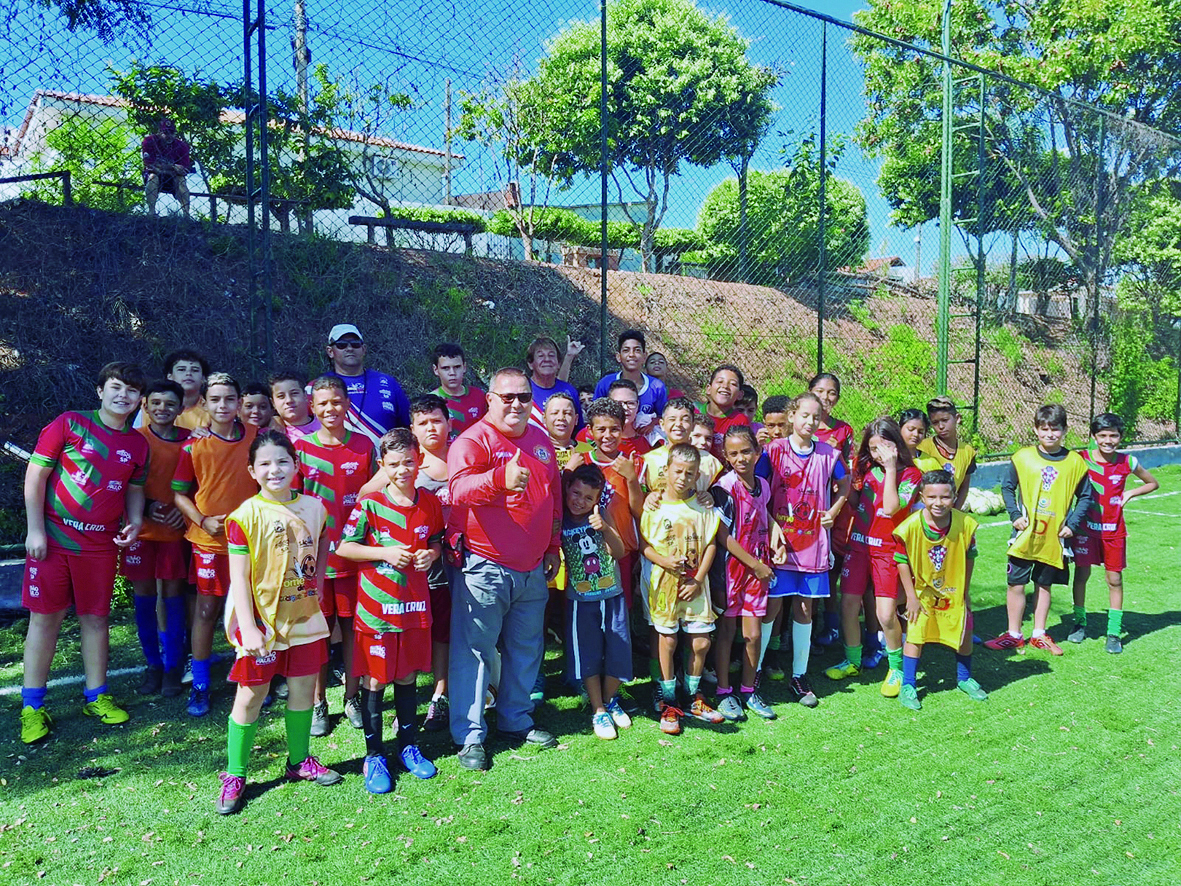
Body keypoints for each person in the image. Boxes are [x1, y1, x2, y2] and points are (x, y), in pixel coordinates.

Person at [19, 363, 150, 744]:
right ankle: (32, 707)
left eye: (131, 390)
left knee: (95, 618)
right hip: (53, 538)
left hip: (99, 544)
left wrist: (135, 520)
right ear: (100, 391)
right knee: (45, 619)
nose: (123, 395)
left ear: (139, 399)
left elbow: (135, 489)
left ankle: (97, 697)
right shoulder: (70, 423)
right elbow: (36, 476)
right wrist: (35, 529)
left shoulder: (138, 444)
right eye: (116, 387)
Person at [216, 430, 340, 815]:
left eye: (283, 461)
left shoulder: (315, 508)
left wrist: (319, 584)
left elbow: (322, 545)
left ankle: (299, 761)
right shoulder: (244, 516)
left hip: (304, 616)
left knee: (302, 690)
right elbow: (239, 578)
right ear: (252, 471)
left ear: (296, 466)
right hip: (261, 622)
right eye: (265, 463)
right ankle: (236, 774)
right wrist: (249, 626)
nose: (275, 470)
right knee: (251, 695)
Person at [447, 367, 562, 771]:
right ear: (490, 400)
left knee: (526, 648)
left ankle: (515, 719)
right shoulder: (472, 441)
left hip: (532, 566)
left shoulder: (540, 440)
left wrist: (552, 545)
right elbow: (457, 490)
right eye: (507, 397)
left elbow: (553, 496)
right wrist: (499, 477)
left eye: (524, 397)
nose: (516, 404)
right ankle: (470, 735)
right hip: (485, 565)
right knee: (475, 652)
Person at [337, 428, 444, 793]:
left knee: (407, 676)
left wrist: (431, 555)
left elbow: (435, 540)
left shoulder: (430, 503)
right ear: (382, 465)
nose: (402, 470)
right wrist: (383, 552)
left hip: (413, 607)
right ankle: (374, 755)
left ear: (420, 461)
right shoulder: (369, 504)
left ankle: (408, 747)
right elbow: (345, 548)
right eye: (394, 464)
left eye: (409, 462)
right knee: (376, 680)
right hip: (376, 610)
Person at [171, 373, 259, 717]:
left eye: (230, 399)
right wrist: (202, 520)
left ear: (239, 403)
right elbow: (179, 493)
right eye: (216, 399)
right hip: (209, 542)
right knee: (206, 611)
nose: (223, 405)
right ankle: (201, 684)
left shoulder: (255, 437)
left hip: (252, 542)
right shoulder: (192, 446)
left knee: (253, 609)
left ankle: (254, 676)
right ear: (204, 403)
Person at [294, 376, 377, 736]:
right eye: (323, 403)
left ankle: (352, 697)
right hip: (313, 562)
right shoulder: (300, 449)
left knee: (354, 630)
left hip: (354, 558)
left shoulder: (364, 446)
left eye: (337, 402)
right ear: (312, 408)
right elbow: (291, 505)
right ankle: (318, 703)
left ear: (347, 405)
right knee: (317, 633)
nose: (330, 409)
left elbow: (375, 499)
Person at [985, 404, 1093, 655]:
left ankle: (1039, 634)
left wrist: (1072, 525)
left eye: (1055, 429)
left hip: (1054, 538)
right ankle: (1013, 634)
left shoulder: (1075, 463)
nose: (1049, 434)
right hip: (1023, 535)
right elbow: (1007, 487)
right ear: (1035, 429)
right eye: (1044, 429)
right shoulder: (1022, 457)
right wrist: (1015, 516)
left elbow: (1086, 496)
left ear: (1065, 430)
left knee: (1044, 585)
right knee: (1016, 583)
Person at [763, 392, 849, 707]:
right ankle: (754, 672)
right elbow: (757, 489)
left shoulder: (829, 454)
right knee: (771, 607)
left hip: (812, 546)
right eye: (804, 415)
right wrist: (771, 525)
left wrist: (834, 509)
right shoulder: (773, 450)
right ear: (791, 416)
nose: (810, 421)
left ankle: (798, 675)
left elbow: (846, 482)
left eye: (816, 416)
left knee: (804, 608)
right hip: (779, 545)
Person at [826, 418, 922, 697]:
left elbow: (891, 508)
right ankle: (852, 661)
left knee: (885, 613)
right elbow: (856, 501)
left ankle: (896, 668)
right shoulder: (865, 468)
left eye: (884, 446)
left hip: (888, 551)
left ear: (897, 444)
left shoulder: (911, 475)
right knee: (848, 604)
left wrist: (891, 469)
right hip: (858, 546)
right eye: (873, 448)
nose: (879, 454)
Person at [640, 444, 724, 735]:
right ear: (666, 471)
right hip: (664, 585)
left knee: (701, 643)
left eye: (689, 473)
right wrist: (664, 561)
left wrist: (698, 578)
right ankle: (669, 700)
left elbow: (711, 544)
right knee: (667, 640)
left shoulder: (703, 506)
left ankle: (692, 696)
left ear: (697, 475)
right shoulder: (654, 506)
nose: (683, 478)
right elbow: (644, 545)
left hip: (695, 585)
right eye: (678, 471)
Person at [893, 470, 988, 710]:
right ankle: (908, 685)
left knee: (964, 631)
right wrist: (911, 597)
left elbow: (970, 556)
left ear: (954, 497)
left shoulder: (965, 524)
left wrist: (965, 591)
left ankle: (964, 678)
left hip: (954, 591)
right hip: (923, 593)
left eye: (945, 497)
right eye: (932, 497)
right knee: (916, 635)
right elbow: (901, 561)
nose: (938, 503)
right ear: (922, 497)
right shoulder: (910, 526)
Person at [122, 378, 190, 697]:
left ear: (181, 408)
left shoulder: (192, 441)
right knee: (145, 596)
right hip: (141, 530)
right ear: (145, 405)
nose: (163, 408)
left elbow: (203, 482)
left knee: (173, 596)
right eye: (157, 403)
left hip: (175, 531)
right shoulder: (134, 439)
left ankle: (173, 665)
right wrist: (147, 507)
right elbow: (123, 483)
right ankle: (153, 664)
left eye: (170, 403)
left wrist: (186, 511)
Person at [1069, 413, 1159, 654]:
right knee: (1081, 574)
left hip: (1114, 531)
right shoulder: (1081, 459)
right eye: (1102, 435)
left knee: (1115, 579)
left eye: (1113, 435)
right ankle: (1079, 622)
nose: (1108, 440)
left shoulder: (1128, 462)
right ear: (1093, 436)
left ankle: (1113, 633)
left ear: (1121, 436)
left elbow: (1152, 483)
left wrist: (1130, 493)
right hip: (1085, 529)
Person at [560, 463, 633, 740]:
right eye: (576, 493)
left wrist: (605, 529)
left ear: (597, 499)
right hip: (580, 600)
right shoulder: (561, 518)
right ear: (568, 489)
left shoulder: (601, 514)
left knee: (619, 649)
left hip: (612, 595)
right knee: (587, 654)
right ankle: (598, 709)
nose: (580, 501)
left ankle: (610, 698)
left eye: (588, 497)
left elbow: (619, 551)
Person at [710, 426, 778, 721]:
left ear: (758, 452)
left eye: (746, 451)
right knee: (726, 632)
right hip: (731, 571)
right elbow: (722, 536)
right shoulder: (724, 489)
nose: (741, 458)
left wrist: (776, 535)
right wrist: (755, 564)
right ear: (726, 457)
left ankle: (749, 690)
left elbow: (763, 516)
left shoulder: (762, 484)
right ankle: (724, 691)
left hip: (756, 571)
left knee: (753, 634)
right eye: (734, 453)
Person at [408, 394, 457, 731]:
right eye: (423, 423)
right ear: (412, 429)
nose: (431, 428)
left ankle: (441, 695)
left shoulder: (463, 456)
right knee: (415, 632)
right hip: (420, 566)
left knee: (445, 631)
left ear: (449, 423)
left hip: (462, 561)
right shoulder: (408, 465)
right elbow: (369, 495)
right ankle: (407, 698)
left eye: (437, 420)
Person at [564, 398, 642, 608]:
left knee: (620, 608)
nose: (608, 436)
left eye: (614, 429)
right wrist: (568, 471)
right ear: (590, 431)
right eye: (601, 429)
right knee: (583, 604)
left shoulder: (633, 462)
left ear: (623, 429)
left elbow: (638, 511)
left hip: (620, 548)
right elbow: (565, 499)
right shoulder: (581, 461)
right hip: (582, 550)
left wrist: (631, 478)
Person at [809, 373, 857, 650]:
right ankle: (800, 628)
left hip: (832, 509)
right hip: (803, 507)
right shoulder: (801, 424)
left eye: (832, 393)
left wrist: (841, 502)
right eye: (820, 391)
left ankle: (829, 626)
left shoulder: (844, 431)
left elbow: (847, 471)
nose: (826, 397)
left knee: (829, 568)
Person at [324, 324, 410, 445]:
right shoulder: (318, 386)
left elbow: (408, 426)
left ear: (364, 349)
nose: (349, 348)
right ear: (330, 351)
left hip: (384, 455)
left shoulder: (388, 382)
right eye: (342, 345)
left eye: (355, 344)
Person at [593, 330, 668, 427]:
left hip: (646, 435)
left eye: (637, 350)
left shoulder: (657, 386)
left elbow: (663, 416)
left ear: (644, 356)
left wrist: (652, 423)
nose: (631, 354)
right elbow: (595, 415)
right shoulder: (605, 383)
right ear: (619, 357)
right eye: (626, 350)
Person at [915, 397, 977, 509]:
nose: (941, 426)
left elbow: (964, 486)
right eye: (935, 422)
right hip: (926, 508)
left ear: (957, 418)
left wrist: (955, 511)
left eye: (945, 420)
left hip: (950, 509)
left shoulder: (968, 451)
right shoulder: (923, 447)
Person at [526, 336, 583, 430]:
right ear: (530, 364)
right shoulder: (523, 390)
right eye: (540, 356)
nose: (547, 359)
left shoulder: (569, 390)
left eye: (551, 355)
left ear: (558, 363)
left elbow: (579, 429)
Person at [431, 342, 486, 437]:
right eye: (446, 368)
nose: (452, 373)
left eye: (457, 367)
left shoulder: (479, 396)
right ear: (436, 370)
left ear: (464, 367)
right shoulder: (431, 401)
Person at [698, 364, 750, 460]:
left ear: (740, 394)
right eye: (720, 381)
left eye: (733, 384)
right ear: (708, 388)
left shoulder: (740, 421)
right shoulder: (694, 412)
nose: (725, 386)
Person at [143, 117, 192, 218]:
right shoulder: (149, 141)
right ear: (159, 132)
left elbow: (184, 170)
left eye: (172, 133)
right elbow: (150, 165)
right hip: (156, 175)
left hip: (173, 178)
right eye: (166, 133)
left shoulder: (182, 146)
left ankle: (186, 215)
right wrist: (173, 167)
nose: (169, 136)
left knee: (181, 180)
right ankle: (151, 213)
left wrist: (162, 168)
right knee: (153, 178)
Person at [543, 391, 592, 470]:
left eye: (568, 413)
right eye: (555, 413)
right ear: (544, 418)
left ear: (576, 419)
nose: (561, 418)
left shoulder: (588, 451)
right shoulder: (535, 450)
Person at [269, 369, 320, 442]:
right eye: (281, 396)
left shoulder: (325, 424)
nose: (289, 400)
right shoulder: (272, 435)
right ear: (273, 403)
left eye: (294, 393)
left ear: (305, 395)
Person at [607, 378, 654, 457]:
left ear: (637, 405)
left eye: (631, 403)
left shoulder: (650, 437)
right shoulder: (593, 436)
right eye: (618, 403)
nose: (625, 408)